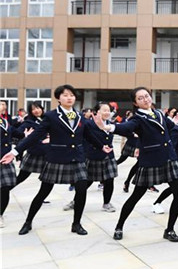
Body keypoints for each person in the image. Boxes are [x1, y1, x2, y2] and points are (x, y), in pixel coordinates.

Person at [1, 84, 111, 235]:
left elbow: (88, 135)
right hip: (56, 158)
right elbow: (35, 136)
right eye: (65, 95)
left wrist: (101, 146)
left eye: (71, 95)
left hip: (77, 158)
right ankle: (28, 222)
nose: (69, 98)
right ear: (58, 98)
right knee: (43, 191)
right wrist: (15, 152)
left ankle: (76, 224)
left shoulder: (79, 116)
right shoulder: (51, 116)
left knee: (81, 190)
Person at [93, 86, 178, 242]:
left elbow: (169, 128)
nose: (145, 99)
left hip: (169, 158)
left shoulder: (158, 113)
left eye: (147, 96)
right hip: (150, 160)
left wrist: (175, 123)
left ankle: (169, 230)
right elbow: (125, 127)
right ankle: (119, 226)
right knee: (136, 196)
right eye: (140, 98)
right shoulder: (138, 118)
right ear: (135, 103)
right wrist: (107, 127)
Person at [83, 102, 118, 212]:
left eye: (109, 110)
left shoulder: (110, 124)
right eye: (104, 110)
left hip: (109, 156)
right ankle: (76, 201)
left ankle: (106, 203)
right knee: (87, 181)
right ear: (97, 112)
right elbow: (87, 139)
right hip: (94, 155)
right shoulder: (89, 124)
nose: (107, 112)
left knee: (109, 180)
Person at [0, 100, 26, 227]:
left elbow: (15, 133)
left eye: (3, 104)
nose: (2, 106)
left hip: (5, 159)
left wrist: (25, 134)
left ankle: (0, 214)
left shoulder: (5, 121)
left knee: (6, 188)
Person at [13, 102, 48, 187]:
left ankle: (40, 197)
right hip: (34, 153)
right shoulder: (29, 122)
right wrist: (25, 135)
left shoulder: (47, 119)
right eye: (33, 109)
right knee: (21, 177)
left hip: (48, 153)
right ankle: (4, 191)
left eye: (38, 108)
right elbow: (17, 132)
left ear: (42, 109)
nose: (36, 110)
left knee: (48, 179)